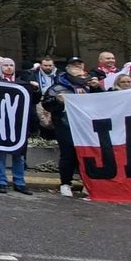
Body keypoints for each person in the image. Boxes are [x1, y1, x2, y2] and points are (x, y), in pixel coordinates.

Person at [43, 57, 89, 197]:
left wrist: (96, 88)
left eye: (80, 69)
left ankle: (87, 183)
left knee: (87, 155)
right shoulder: (56, 88)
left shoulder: (87, 87)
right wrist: (57, 101)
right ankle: (65, 183)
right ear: (69, 71)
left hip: (85, 127)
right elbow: (47, 105)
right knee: (68, 155)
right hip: (65, 125)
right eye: (75, 68)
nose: (79, 71)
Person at [0, 58, 31, 195]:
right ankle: (1, 181)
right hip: (1, 123)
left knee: (19, 155)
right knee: (1, 154)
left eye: (11, 65)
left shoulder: (22, 84)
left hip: (19, 124)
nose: (8, 68)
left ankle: (19, 182)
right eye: (5, 65)